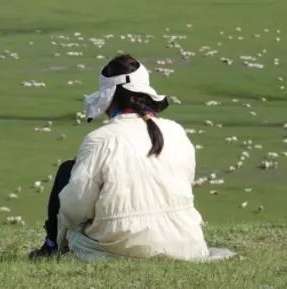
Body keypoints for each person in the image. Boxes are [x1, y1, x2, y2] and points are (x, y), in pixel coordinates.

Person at [30, 54, 228, 262]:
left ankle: (50, 246)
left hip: (122, 248)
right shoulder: (176, 131)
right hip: (186, 244)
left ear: (108, 98)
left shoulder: (101, 140)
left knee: (67, 170)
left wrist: (64, 230)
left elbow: (76, 208)